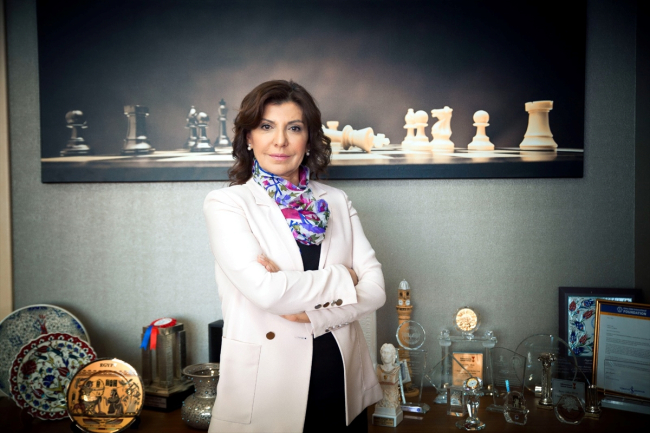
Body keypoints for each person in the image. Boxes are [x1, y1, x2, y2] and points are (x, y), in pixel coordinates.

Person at [204, 80, 386, 433]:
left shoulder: (335, 201)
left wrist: (312, 315)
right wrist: (346, 277)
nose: (280, 141)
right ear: (248, 137)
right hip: (268, 385)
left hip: (341, 383)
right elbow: (268, 293)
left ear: (309, 138)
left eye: (294, 128)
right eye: (266, 126)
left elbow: (376, 290)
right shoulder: (227, 204)